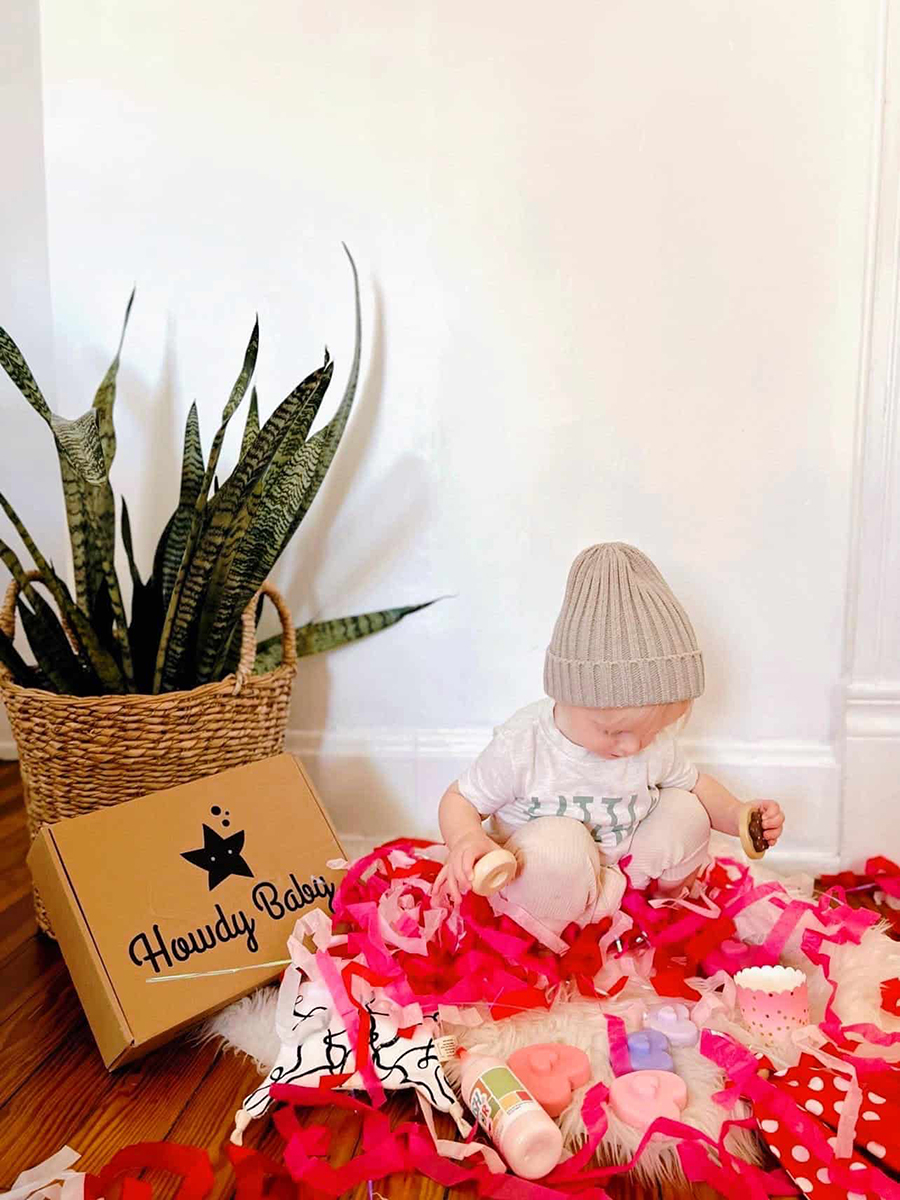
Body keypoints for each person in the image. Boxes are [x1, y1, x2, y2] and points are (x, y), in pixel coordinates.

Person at [435, 543, 784, 934]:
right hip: (546, 890)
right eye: (613, 732)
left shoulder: (645, 744)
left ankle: (652, 914)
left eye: (651, 731)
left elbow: (697, 784)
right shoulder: (526, 744)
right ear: (567, 696)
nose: (633, 747)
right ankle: (562, 934)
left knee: (687, 809)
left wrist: (739, 814)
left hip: (625, 878)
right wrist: (465, 838)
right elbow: (460, 798)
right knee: (559, 845)